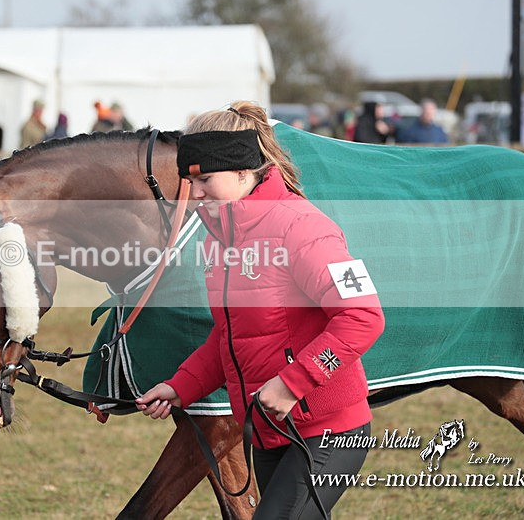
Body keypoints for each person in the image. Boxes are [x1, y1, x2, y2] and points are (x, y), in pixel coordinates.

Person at [135, 101, 385, 518]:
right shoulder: (217, 241)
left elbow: (364, 317)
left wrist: (293, 383)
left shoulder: (302, 227)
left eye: (205, 179)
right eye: (188, 180)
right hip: (271, 430)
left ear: (243, 172)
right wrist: (182, 386)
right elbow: (230, 337)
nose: (194, 193)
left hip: (329, 432)